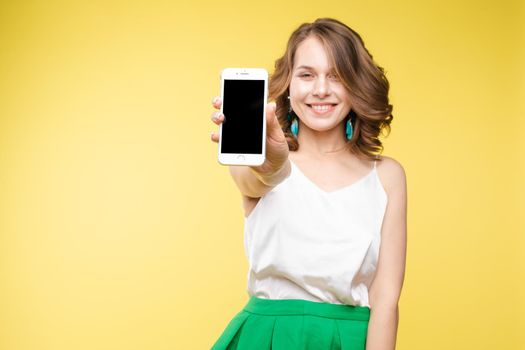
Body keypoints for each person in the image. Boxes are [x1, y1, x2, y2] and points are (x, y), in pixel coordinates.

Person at [208, 17, 407, 350]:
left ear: (356, 85)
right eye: (307, 74)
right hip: (266, 339)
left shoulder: (387, 176)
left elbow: (386, 300)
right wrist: (271, 164)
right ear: (288, 85)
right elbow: (257, 178)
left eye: (337, 76)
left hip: (347, 340)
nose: (321, 90)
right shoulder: (257, 162)